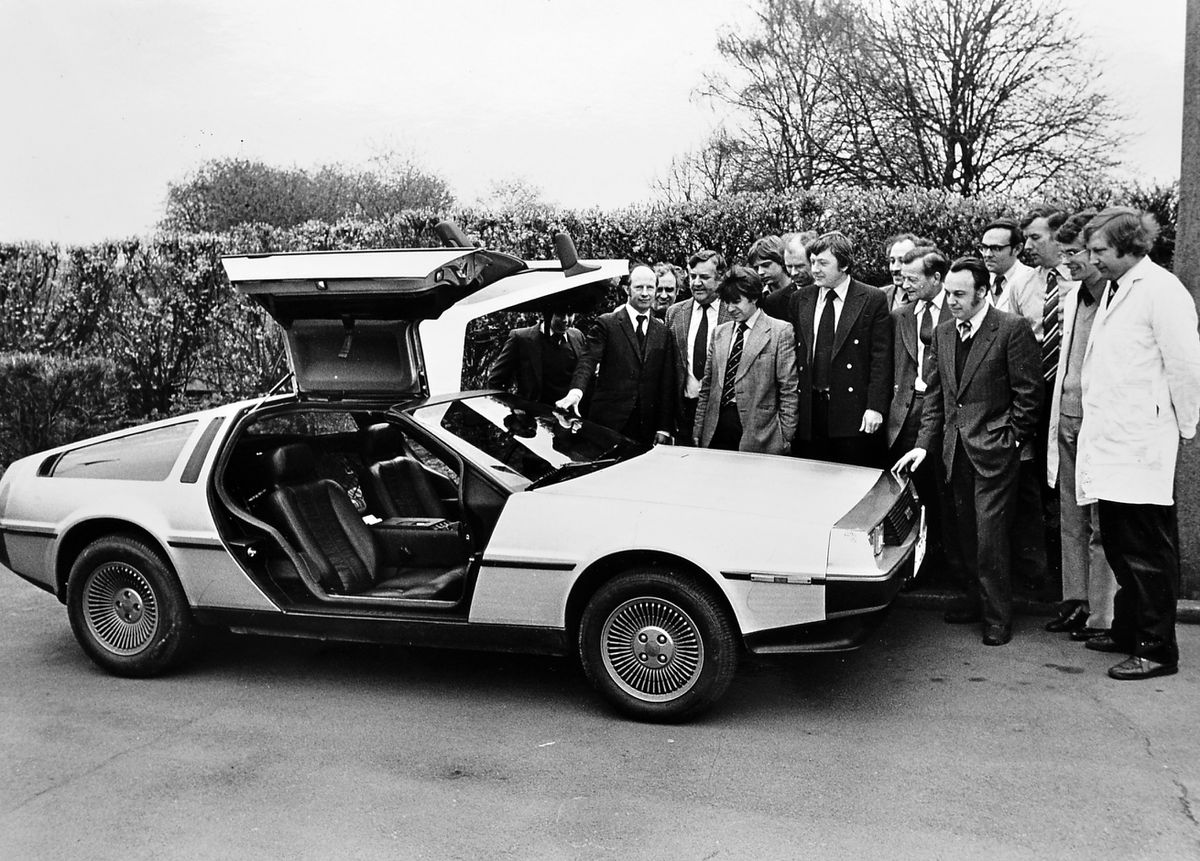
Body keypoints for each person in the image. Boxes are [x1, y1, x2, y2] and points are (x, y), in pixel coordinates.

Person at [1076, 207, 1200, 680]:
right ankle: (1129, 630)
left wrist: (1183, 428)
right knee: (1119, 544)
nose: (1093, 259)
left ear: (1131, 247)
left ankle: (1157, 649)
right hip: (1113, 443)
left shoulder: (1162, 291)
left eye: (1100, 251)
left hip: (1141, 444)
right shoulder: (1118, 288)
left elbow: (1186, 366)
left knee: (1146, 551)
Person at [893, 256, 1042, 646]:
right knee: (963, 533)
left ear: (984, 292)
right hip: (952, 451)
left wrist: (1009, 439)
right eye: (949, 293)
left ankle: (997, 616)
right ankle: (975, 600)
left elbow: (1029, 393)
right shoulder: (943, 333)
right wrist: (924, 447)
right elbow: (937, 399)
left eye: (960, 294)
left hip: (993, 451)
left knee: (990, 535)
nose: (953, 300)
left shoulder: (1011, 329)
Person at [1042, 211, 1117, 641]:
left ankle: (1102, 615)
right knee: (1071, 517)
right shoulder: (1074, 297)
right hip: (1067, 418)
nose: (1067, 261)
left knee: (1100, 524)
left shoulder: (1114, 297)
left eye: (1075, 253)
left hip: (1098, 424)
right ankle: (1076, 602)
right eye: (1066, 251)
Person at [885, 246, 959, 581]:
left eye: (913, 278)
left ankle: (950, 568)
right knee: (910, 496)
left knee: (943, 495)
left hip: (944, 414)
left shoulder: (957, 310)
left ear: (936, 278)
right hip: (905, 415)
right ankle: (917, 570)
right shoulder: (901, 314)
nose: (904, 282)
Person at [789, 231, 892, 467]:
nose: (814, 269)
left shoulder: (871, 299)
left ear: (844, 264)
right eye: (813, 262)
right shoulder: (800, 299)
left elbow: (881, 359)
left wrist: (875, 407)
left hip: (852, 412)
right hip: (810, 411)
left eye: (823, 263)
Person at [557, 264, 677, 445]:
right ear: (627, 289)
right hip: (608, 422)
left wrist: (664, 427)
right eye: (639, 287)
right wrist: (576, 392)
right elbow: (588, 360)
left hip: (646, 428)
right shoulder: (607, 323)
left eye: (650, 288)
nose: (645, 293)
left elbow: (666, 382)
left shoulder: (663, 331)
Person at [694, 266, 799, 454]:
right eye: (726, 302)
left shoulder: (779, 331)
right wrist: (699, 428)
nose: (730, 308)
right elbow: (707, 387)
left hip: (761, 433)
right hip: (717, 428)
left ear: (754, 298)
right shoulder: (720, 333)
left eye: (736, 302)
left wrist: (785, 436)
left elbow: (788, 389)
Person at [666, 250, 732, 444]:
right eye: (693, 276)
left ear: (720, 279)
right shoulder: (675, 313)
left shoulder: (732, 312)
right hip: (684, 410)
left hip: (721, 412)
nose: (696, 283)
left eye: (704, 277)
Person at [486, 312, 585, 407]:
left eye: (570, 314)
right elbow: (495, 383)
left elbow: (584, 376)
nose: (566, 320)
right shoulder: (521, 338)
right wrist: (513, 410)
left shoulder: (577, 336)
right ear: (547, 314)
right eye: (560, 314)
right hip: (533, 418)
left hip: (570, 418)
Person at [978, 219, 1034, 306]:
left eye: (997, 248)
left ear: (1017, 249)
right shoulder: (976, 279)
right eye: (984, 247)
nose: (987, 254)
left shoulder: (1031, 280)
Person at [762, 231, 815, 320]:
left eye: (800, 266)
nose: (794, 273)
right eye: (789, 266)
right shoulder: (774, 302)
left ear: (813, 262)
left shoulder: (830, 293)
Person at [883, 233, 921, 313]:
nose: (895, 268)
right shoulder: (880, 297)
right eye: (892, 261)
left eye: (902, 261)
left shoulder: (927, 297)